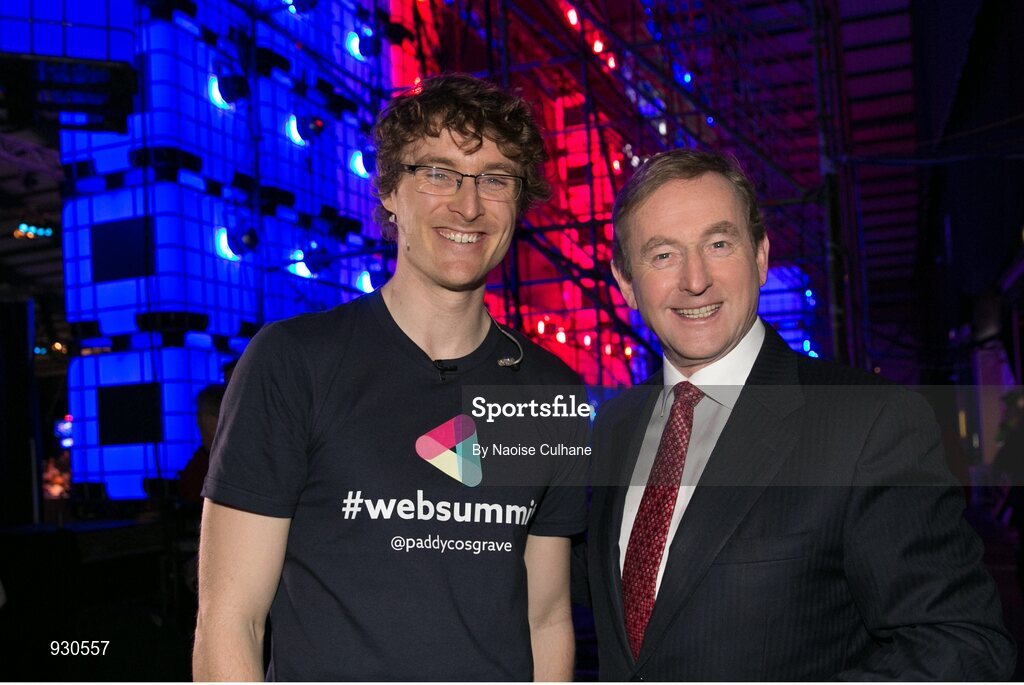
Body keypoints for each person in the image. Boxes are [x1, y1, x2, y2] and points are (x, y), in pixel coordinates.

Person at [192, 74, 586, 681]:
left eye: (495, 179)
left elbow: (548, 618)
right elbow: (230, 621)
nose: (469, 205)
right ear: (390, 193)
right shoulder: (296, 362)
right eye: (439, 173)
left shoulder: (549, 391)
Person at [577, 148, 1015, 680]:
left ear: (761, 257)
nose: (695, 279)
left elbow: (965, 652)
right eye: (663, 254)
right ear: (626, 283)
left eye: (719, 244)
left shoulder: (871, 422)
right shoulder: (616, 425)